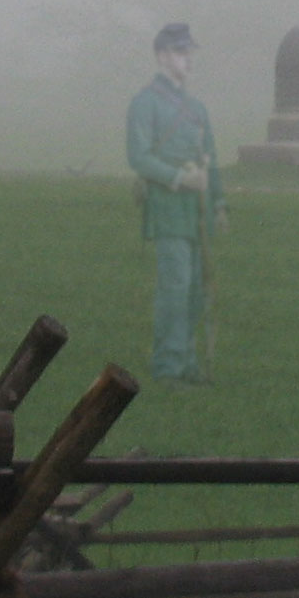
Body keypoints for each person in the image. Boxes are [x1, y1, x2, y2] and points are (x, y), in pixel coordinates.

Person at [127, 23, 228, 384]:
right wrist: (182, 179)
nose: (188, 60)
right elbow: (139, 158)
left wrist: (218, 203)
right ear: (162, 56)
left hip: (195, 212)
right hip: (168, 208)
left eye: (189, 53)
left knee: (195, 290)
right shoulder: (145, 103)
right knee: (175, 288)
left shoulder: (196, 107)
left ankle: (186, 363)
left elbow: (210, 157)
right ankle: (167, 366)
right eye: (181, 53)